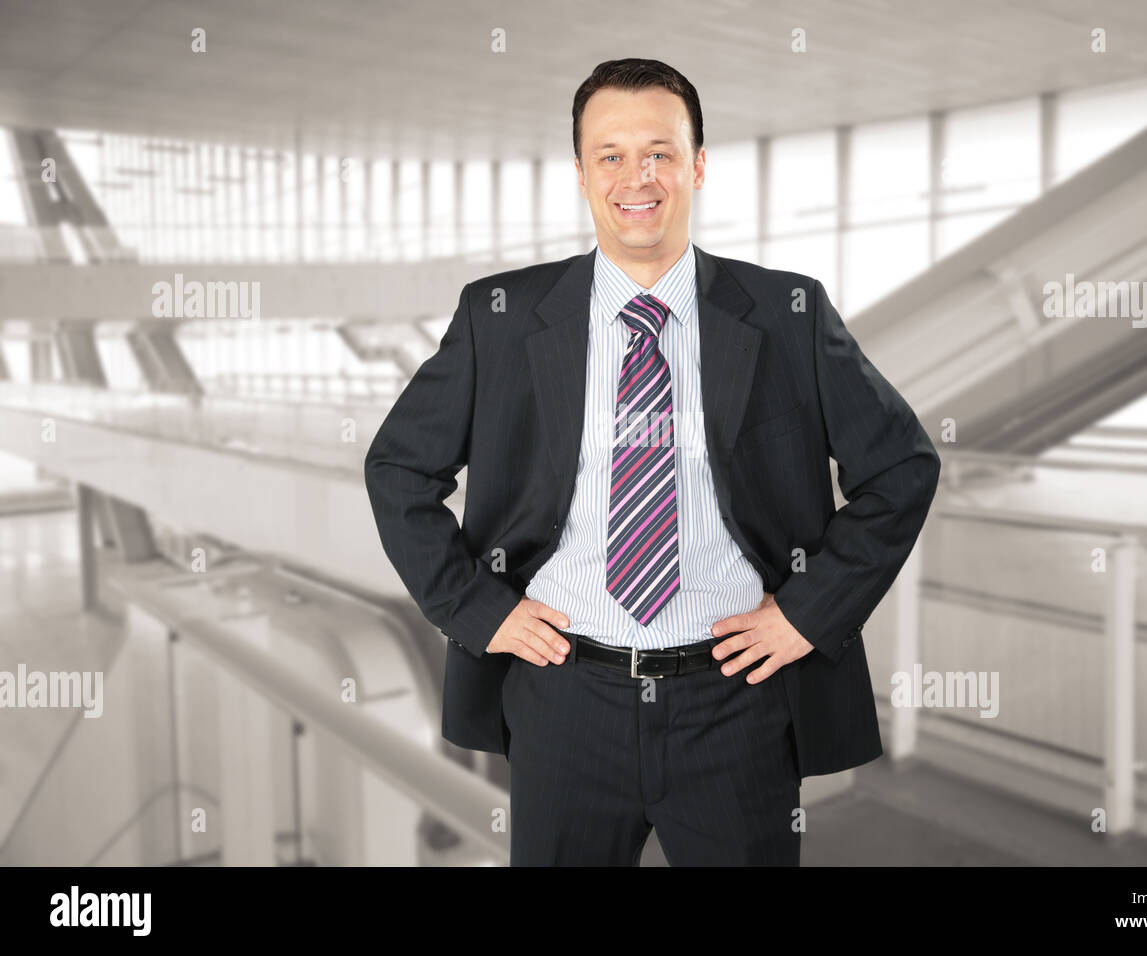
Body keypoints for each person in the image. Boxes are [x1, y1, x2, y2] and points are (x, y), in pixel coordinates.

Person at [364, 58, 941, 866]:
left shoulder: (788, 313)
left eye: (660, 152)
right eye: (611, 155)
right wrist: (477, 608)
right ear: (581, 173)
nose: (637, 177)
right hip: (565, 698)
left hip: (734, 702)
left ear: (698, 164)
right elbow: (397, 469)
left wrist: (808, 612)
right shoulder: (499, 318)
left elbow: (903, 467)